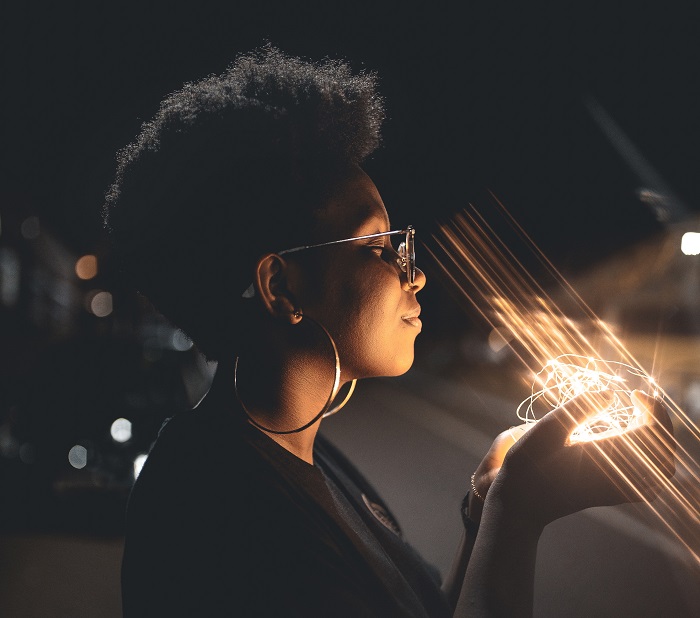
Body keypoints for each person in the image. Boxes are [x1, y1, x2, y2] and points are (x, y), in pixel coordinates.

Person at [102, 45, 676, 617]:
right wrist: (519, 510)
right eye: (379, 248)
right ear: (281, 287)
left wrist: (485, 508)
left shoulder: (301, 453)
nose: (416, 274)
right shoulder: (213, 515)